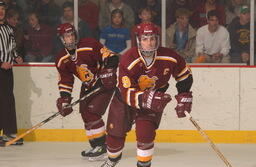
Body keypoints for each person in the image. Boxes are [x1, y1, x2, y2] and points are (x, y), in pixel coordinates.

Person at [100, 22, 193, 167]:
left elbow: (183, 74)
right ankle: (112, 160)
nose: (149, 43)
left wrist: (184, 95)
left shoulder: (170, 56)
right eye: (145, 39)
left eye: (152, 39)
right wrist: (146, 98)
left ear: (157, 39)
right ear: (138, 40)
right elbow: (126, 92)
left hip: (154, 97)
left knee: (146, 134)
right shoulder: (128, 59)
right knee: (115, 133)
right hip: (125, 99)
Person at [55, 23, 119, 161]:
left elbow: (112, 57)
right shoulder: (61, 59)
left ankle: (103, 146)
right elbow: (66, 81)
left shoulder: (89, 44)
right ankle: (96, 145)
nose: (70, 38)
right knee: (85, 113)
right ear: (62, 39)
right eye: (67, 36)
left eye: (72, 34)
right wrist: (65, 99)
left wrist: (108, 72)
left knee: (92, 112)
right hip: (88, 85)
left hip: (104, 83)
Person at [0, 1, 24, 145]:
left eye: (2, 9)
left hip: (7, 71)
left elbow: (12, 46)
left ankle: (8, 133)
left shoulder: (8, 29)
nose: (1, 11)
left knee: (8, 101)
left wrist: (16, 56)